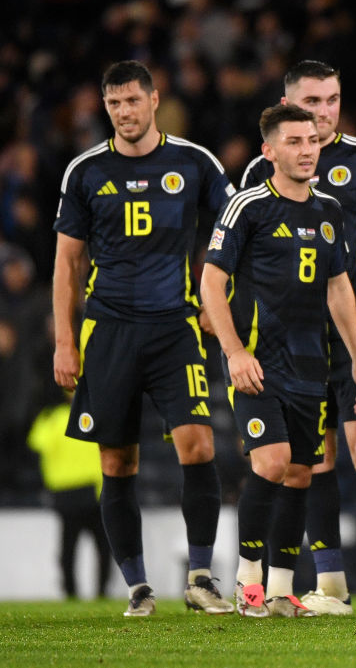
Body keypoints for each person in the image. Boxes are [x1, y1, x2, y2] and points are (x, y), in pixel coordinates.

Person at [53, 60, 235, 617]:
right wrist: (64, 341)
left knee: (198, 445)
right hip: (107, 330)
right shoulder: (84, 172)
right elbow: (67, 263)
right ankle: (138, 588)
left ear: (155, 100)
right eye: (114, 104)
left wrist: (217, 302)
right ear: (105, 108)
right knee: (117, 463)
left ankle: (201, 576)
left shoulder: (194, 161)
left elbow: (236, 228)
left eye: (133, 101)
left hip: (174, 328)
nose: (124, 113)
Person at [241, 60, 356, 617]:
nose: (323, 112)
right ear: (288, 105)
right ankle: (331, 581)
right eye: (311, 102)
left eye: (332, 99)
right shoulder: (260, 172)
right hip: (292, 346)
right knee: (312, 461)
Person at [200, 104, 356, 618]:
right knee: (271, 464)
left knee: (300, 474)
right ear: (269, 151)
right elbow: (211, 281)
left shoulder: (328, 211)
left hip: (310, 366)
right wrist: (233, 352)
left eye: (312, 140)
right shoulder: (248, 206)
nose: (306, 149)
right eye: (294, 141)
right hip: (259, 365)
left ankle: (279, 591)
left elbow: (339, 288)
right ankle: (247, 581)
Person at [27, 394, 112, 599]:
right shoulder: (95, 416)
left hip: (65, 491)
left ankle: (70, 592)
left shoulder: (52, 418)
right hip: (93, 490)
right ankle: (101, 591)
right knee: (102, 546)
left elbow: (36, 444)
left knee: (69, 548)